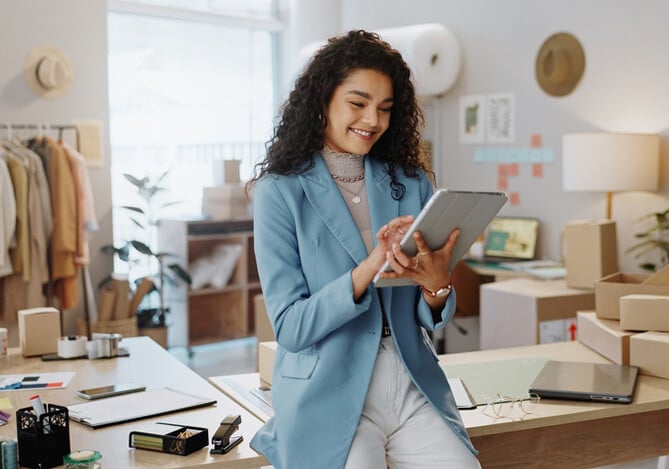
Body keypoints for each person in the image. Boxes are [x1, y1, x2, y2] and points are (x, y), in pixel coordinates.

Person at [247, 30, 480, 469]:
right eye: (358, 103)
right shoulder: (278, 192)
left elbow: (429, 311)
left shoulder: (412, 183)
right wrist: (369, 267)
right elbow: (291, 328)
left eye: (386, 108)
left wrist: (437, 288)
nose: (373, 120)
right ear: (322, 100)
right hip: (329, 391)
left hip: (411, 382)